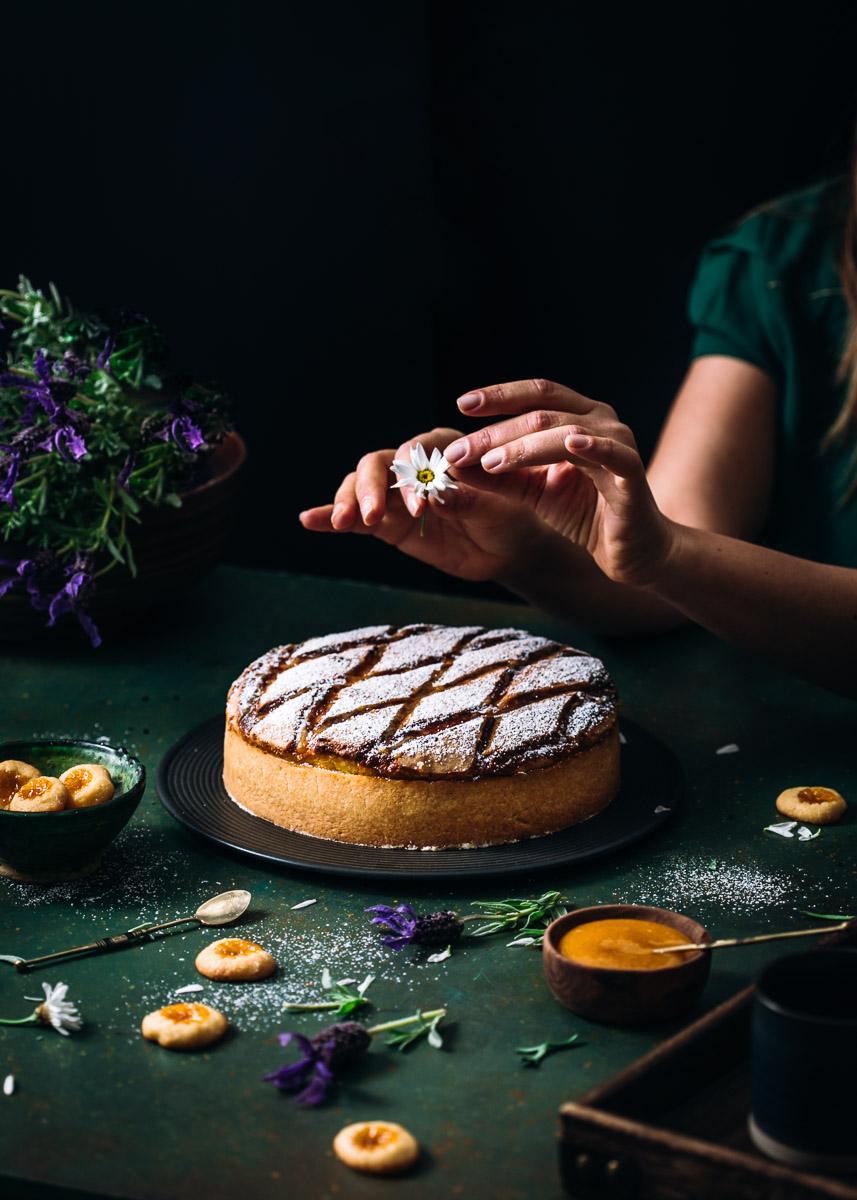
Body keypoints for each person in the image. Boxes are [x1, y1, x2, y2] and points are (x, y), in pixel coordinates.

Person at [300, 175, 857, 700]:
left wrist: (669, 554)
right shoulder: (791, 249)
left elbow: (680, 556)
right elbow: (668, 574)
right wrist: (525, 547)